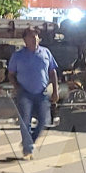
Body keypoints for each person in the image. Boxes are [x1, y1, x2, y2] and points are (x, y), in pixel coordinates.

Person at [7, 27, 59, 159]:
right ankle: (28, 149)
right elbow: (11, 74)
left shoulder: (46, 53)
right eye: (31, 36)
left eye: (36, 36)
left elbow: (52, 72)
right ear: (25, 40)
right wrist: (17, 87)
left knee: (43, 121)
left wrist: (55, 91)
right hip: (24, 93)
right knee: (25, 121)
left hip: (41, 92)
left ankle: (28, 141)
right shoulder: (18, 56)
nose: (34, 38)